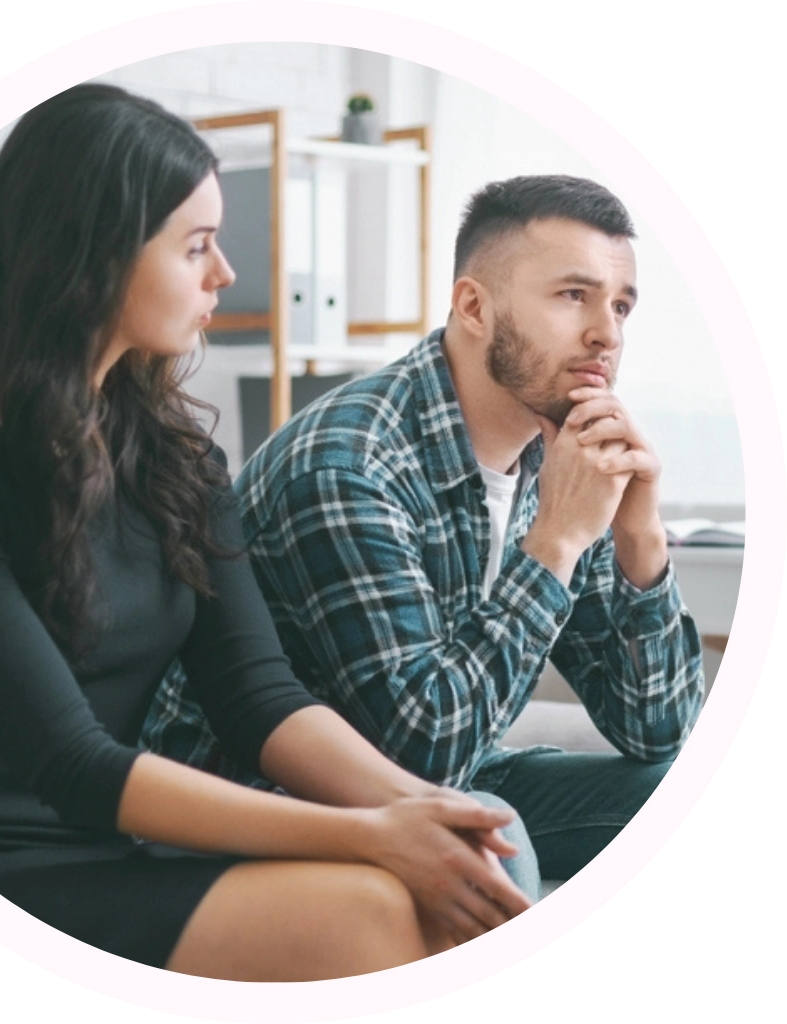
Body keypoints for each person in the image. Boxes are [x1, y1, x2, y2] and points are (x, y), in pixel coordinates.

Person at [0, 83, 536, 982]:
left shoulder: (175, 456)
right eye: (197, 245)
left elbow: (258, 696)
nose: (225, 273)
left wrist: (428, 811)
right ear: (93, 254)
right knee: (381, 910)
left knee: (468, 861)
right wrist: (372, 835)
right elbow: (72, 762)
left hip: (109, 841)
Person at [142, 174, 706, 883]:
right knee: (492, 843)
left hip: (447, 774)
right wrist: (556, 543)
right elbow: (422, 755)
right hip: (264, 806)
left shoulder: (557, 463)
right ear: (473, 306)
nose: (608, 333)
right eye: (574, 295)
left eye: (621, 305)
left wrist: (640, 540)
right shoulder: (349, 464)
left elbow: (655, 730)